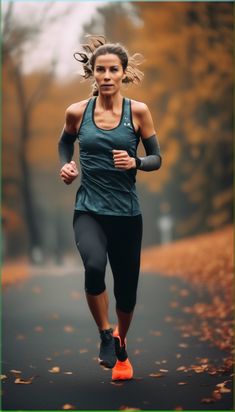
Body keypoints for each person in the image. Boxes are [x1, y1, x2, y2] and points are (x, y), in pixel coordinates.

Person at [58, 35, 162, 381]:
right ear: (92, 73)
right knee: (93, 265)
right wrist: (68, 165)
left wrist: (135, 163)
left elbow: (156, 158)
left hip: (127, 215)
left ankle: (120, 342)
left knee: (127, 292)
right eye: (100, 69)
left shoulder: (139, 111)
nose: (106, 75)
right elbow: (65, 142)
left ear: (123, 73)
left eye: (112, 70)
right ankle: (105, 334)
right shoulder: (77, 111)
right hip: (89, 209)